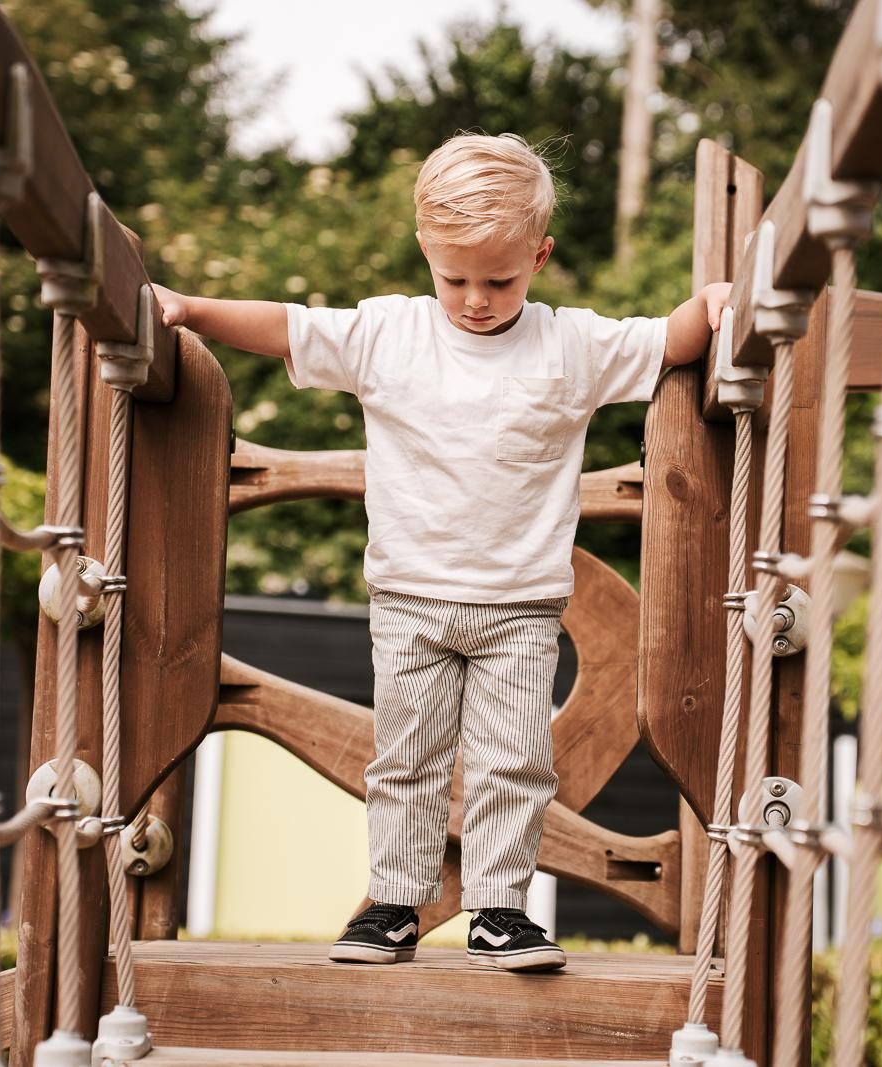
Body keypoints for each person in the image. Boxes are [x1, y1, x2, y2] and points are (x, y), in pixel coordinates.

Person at [153, 132, 729, 971]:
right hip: (410, 602)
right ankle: (394, 902)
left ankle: (500, 909)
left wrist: (712, 303)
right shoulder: (391, 334)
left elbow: (663, 342)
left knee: (513, 761)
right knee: (407, 758)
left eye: (500, 279)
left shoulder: (568, 346)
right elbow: (287, 328)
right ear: (426, 250)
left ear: (540, 255)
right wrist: (192, 309)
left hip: (521, 609)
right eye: (454, 277)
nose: (476, 300)